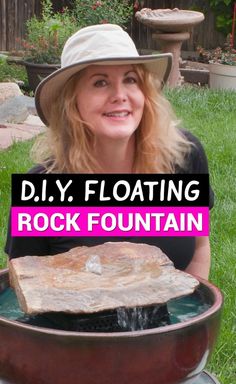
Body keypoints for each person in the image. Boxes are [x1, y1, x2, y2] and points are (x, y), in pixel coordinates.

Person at [5, 24, 214, 280]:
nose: (119, 95)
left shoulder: (183, 157)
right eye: (100, 82)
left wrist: (192, 317)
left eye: (130, 79)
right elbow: (24, 285)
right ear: (72, 102)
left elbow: (200, 248)